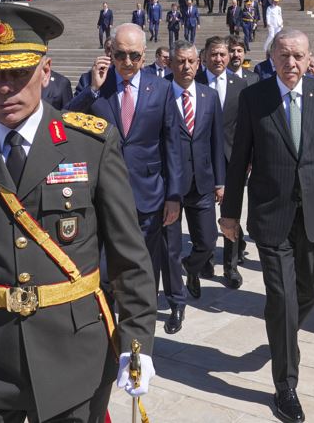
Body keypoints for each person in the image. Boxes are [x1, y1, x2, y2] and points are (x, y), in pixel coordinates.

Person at [0, 4, 157, 422]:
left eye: (17, 73)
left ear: (45, 72)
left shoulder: (90, 145)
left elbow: (128, 256)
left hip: (73, 357)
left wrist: (138, 347)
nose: (3, 87)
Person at [220, 29, 314, 423]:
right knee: (280, 299)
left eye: (299, 56)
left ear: (310, 57)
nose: (292, 63)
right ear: (272, 57)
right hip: (272, 215)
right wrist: (230, 213)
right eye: (284, 55)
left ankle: (283, 334)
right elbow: (238, 161)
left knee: (312, 290)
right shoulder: (254, 97)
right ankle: (286, 386)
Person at [65, 23, 182, 322]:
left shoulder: (163, 89)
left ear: (145, 55)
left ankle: (139, 335)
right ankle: (105, 331)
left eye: (134, 56)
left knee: (142, 270)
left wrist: (174, 196)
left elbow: (172, 144)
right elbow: (65, 123)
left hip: (148, 195)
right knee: (102, 272)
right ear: (109, 53)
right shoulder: (94, 85)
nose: (127, 62)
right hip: (102, 195)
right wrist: (92, 88)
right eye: (120, 55)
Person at [161, 41, 225, 334]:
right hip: (169, 188)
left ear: (198, 64)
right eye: (180, 62)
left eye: (191, 62)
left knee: (208, 241)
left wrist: (220, 181)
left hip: (202, 182)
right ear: (171, 64)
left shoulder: (209, 96)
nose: (186, 67)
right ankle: (177, 303)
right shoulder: (159, 94)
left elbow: (215, 140)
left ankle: (193, 267)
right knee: (170, 249)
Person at [197, 36, 250, 286]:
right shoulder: (192, 82)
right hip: (200, 161)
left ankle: (230, 266)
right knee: (204, 215)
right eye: (214, 54)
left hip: (232, 161)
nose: (218, 59)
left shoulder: (240, 86)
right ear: (204, 56)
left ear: (229, 57)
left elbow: (246, 127)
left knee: (231, 214)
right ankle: (205, 261)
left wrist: (249, 159)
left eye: (223, 54)